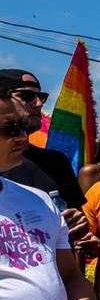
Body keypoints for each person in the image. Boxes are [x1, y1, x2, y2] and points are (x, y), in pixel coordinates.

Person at [0, 92, 100, 300]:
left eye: (21, 126)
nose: (22, 137)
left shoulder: (39, 199)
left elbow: (69, 275)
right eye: (8, 129)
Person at [0, 69, 86, 209]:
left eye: (41, 96)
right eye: (26, 95)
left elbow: (76, 215)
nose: (38, 103)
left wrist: (75, 222)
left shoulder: (56, 162)